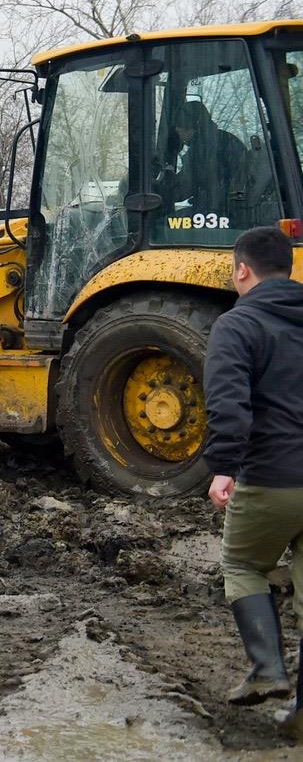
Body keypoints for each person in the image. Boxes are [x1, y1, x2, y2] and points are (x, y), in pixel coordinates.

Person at [204, 226, 303, 728]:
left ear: (243, 270)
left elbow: (228, 406)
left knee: (243, 564)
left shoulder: (237, 326)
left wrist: (224, 467)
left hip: (271, 475)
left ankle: (267, 671)